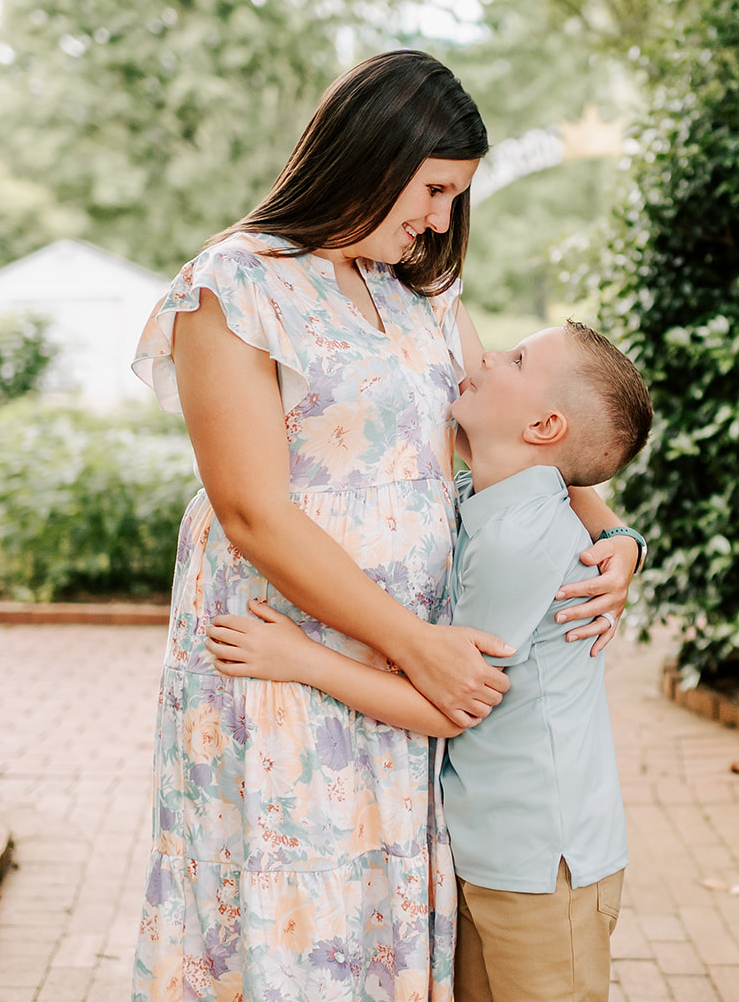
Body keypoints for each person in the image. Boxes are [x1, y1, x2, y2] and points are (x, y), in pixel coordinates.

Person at [128, 50, 642, 1002]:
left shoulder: (421, 288)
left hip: (402, 678)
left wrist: (615, 533)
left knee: (380, 914)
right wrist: (414, 644)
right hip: (285, 654)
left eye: (456, 196)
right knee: (288, 914)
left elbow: (528, 439)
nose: (442, 219)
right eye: (435, 189)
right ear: (373, 154)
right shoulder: (231, 287)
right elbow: (251, 509)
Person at [207, 321, 653, 1002]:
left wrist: (301, 658)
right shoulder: (485, 499)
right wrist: (623, 532)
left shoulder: (518, 538)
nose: (487, 356)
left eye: (517, 357)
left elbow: (450, 704)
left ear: (543, 424)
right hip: (495, 850)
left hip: (541, 861)